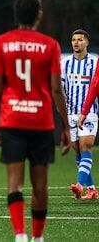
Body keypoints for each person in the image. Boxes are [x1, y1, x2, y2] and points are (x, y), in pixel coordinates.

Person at [0, 0, 71, 242]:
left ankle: (20, 235)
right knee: (40, 185)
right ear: (39, 15)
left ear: (15, 15)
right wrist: (65, 127)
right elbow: (57, 89)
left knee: (15, 182)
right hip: (41, 121)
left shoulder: (1, 42)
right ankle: (38, 237)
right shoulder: (50, 45)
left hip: (12, 120)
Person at [61, 29, 99, 200]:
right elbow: (60, 88)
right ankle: (91, 189)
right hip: (70, 113)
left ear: (87, 43)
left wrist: (87, 110)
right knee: (77, 151)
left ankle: (79, 185)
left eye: (80, 40)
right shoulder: (65, 63)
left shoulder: (94, 61)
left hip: (89, 112)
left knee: (85, 147)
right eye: (74, 39)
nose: (76, 42)